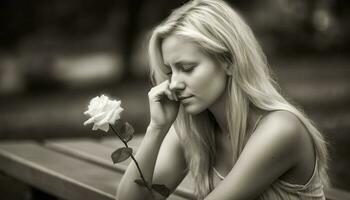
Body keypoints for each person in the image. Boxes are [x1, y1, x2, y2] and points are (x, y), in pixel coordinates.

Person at [117, 0, 329, 199]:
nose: (174, 84)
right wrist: (157, 128)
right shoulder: (193, 129)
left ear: (228, 61)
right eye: (170, 72)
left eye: (187, 68)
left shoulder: (282, 129)